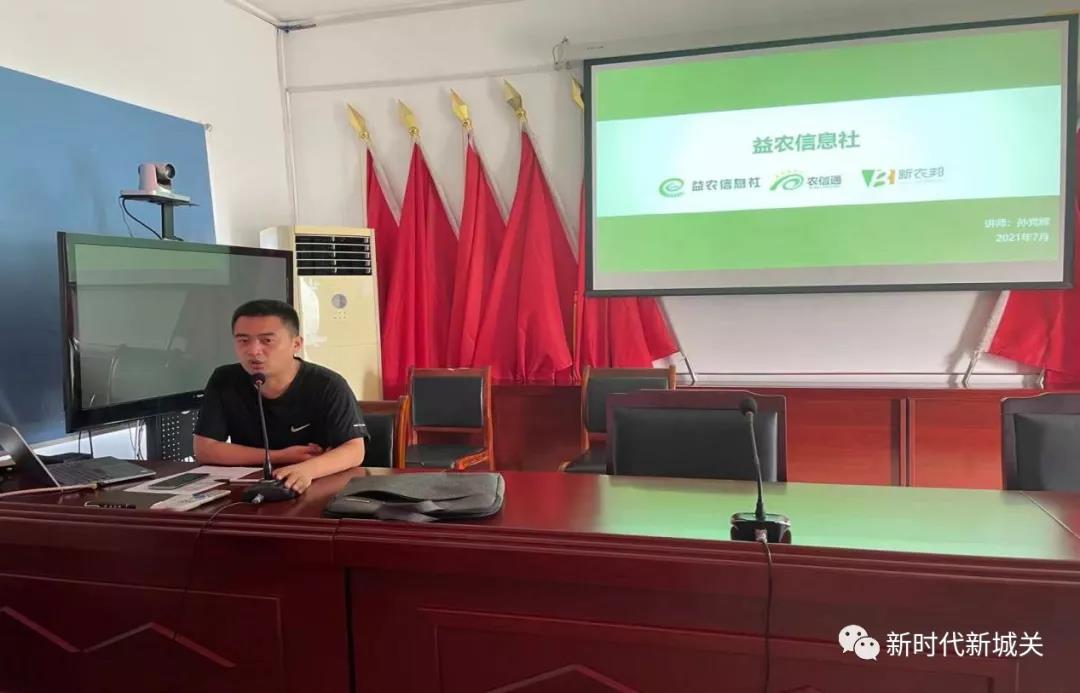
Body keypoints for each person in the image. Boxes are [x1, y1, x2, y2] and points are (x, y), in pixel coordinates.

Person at [193, 299, 367, 495]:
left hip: (317, 489)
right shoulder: (224, 379)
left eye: (267, 341)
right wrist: (281, 456)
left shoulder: (328, 384)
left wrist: (306, 470)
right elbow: (205, 449)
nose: (253, 351)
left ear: (296, 344)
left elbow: (354, 450)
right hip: (252, 490)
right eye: (243, 340)